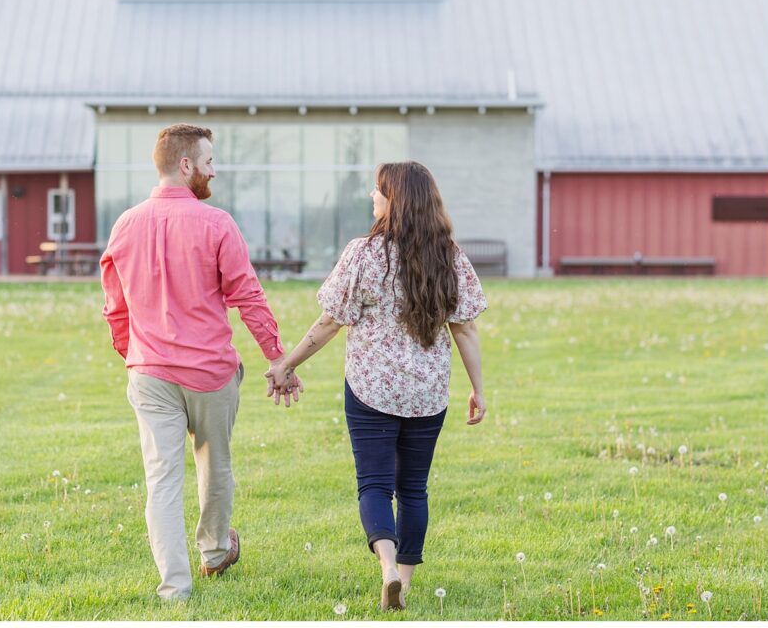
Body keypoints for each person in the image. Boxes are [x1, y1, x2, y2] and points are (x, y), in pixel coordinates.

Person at [266, 160, 487, 611]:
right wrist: (478, 389)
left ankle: (386, 566)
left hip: (371, 389)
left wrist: (287, 363)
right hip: (428, 394)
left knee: (374, 484)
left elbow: (330, 322)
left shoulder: (364, 253)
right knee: (414, 489)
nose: (372, 196)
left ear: (396, 200)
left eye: (378, 190)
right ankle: (403, 583)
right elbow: (464, 329)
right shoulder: (451, 256)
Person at [100, 123, 303, 601]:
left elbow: (114, 307)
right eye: (209, 162)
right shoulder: (217, 224)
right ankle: (214, 551)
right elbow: (247, 296)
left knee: (162, 480)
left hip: (149, 372)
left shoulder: (125, 224)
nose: (214, 170)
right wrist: (278, 358)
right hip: (210, 374)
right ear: (186, 165)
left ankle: (175, 587)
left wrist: (135, 352)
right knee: (216, 466)